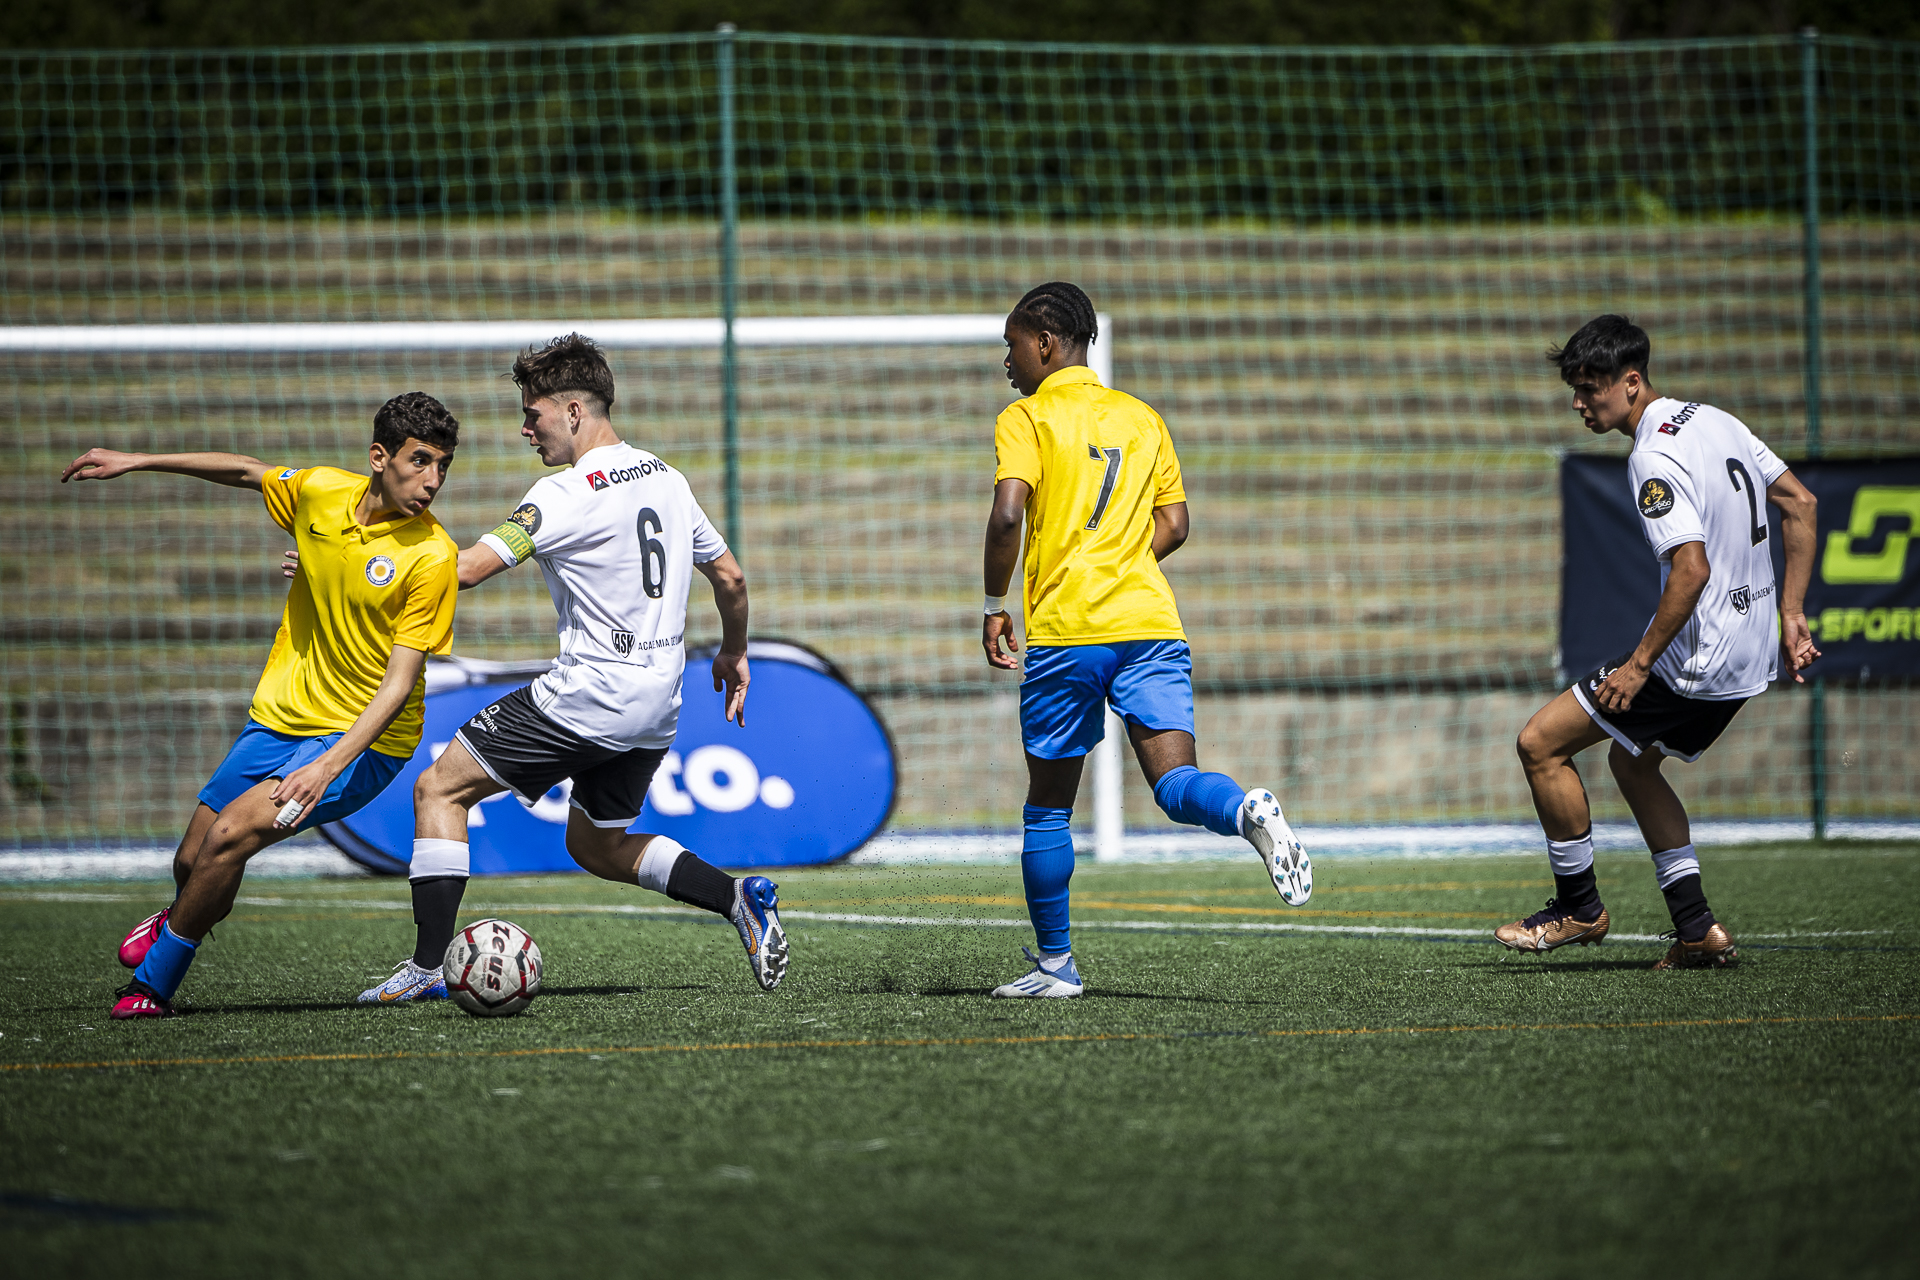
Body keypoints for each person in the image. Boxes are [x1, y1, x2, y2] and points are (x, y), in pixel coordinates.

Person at [351, 333, 787, 1003]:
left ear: (575, 411)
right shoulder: (667, 478)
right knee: (597, 847)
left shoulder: (563, 493)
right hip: (658, 701)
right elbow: (729, 576)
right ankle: (735, 898)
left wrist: (355, 560)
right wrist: (734, 650)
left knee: (439, 790)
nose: (526, 430)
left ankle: (427, 968)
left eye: (534, 415)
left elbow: (466, 570)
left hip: (590, 692)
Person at [67, 393, 464, 1019]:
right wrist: (138, 460)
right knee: (192, 860)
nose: (433, 480)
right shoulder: (321, 492)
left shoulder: (433, 554)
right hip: (280, 717)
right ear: (379, 457)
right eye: (421, 461)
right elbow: (246, 471)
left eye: (443, 466)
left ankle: (150, 988)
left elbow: (398, 686)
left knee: (229, 838)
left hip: (362, 744)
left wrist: (327, 766)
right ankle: (179, 915)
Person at [980, 282, 1312, 1000]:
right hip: (1152, 626)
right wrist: (1122, 565)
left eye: (1012, 346)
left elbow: (1008, 516)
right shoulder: (1142, 417)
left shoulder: (1027, 417)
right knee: (1175, 784)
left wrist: (992, 606)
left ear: (1045, 343)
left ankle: (1056, 967)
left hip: (1070, 632)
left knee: (1048, 807)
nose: (1006, 361)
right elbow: (1177, 522)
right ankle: (1245, 810)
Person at [1498, 314, 1820, 968]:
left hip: (1695, 661)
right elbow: (1802, 503)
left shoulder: (1652, 455)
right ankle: (1696, 928)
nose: (1578, 403)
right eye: (1574, 389)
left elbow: (1691, 570)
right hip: (1749, 654)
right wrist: (1791, 612)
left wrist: (1641, 665)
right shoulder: (1718, 420)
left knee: (1540, 744)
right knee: (1634, 762)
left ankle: (1578, 908)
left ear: (1631, 382)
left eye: (1590, 389)